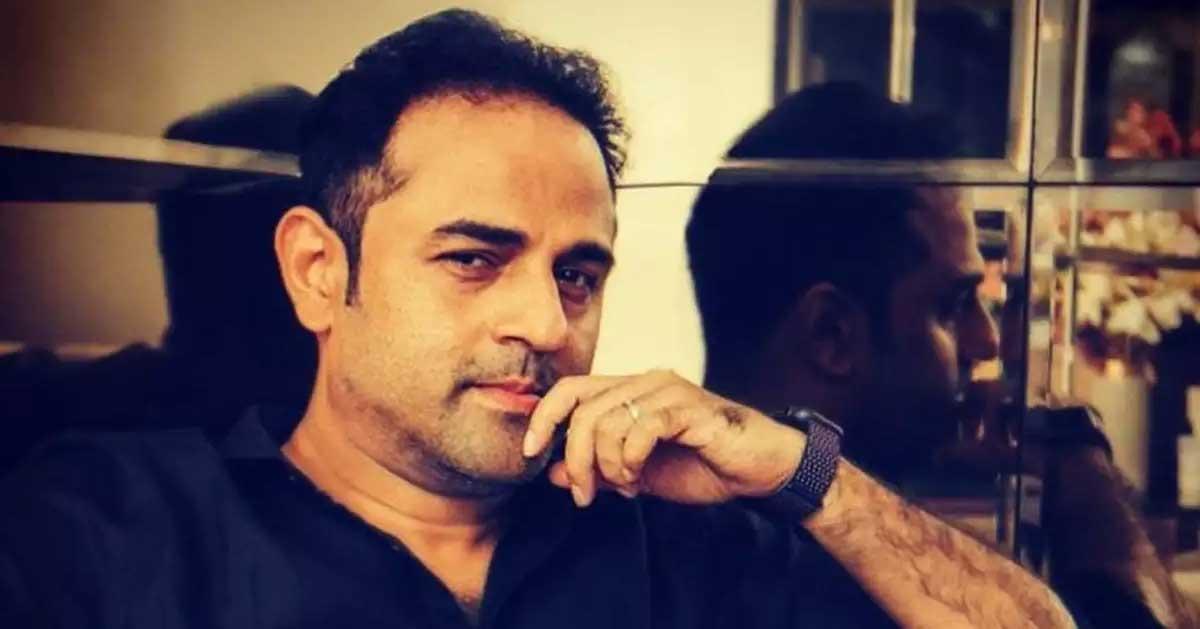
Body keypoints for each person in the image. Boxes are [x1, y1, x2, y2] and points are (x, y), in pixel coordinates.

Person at [3, 10, 1079, 628]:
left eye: (578, 273)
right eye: (474, 258)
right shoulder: (111, 534)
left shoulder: (677, 542)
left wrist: (805, 471)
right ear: (319, 272)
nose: (549, 322)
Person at [687, 82, 1200, 628]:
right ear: (831, 334)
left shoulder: (710, 537)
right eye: (951, 307)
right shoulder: (821, 582)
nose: (986, 342)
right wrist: (1076, 456)